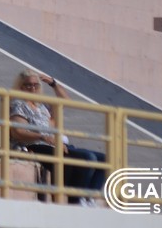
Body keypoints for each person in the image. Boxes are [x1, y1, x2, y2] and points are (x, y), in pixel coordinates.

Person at [9, 69, 106, 206]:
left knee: (103, 159)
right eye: (28, 85)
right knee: (87, 158)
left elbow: (67, 102)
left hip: (51, 144)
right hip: (34, 145)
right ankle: (76, 200)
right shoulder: (18, 104)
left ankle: (88, 198)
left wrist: (53, 83)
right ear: (21, 87)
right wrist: (42, 137)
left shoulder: (42, 106)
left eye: (35, 85)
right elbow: (18, 132)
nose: (32, 88)